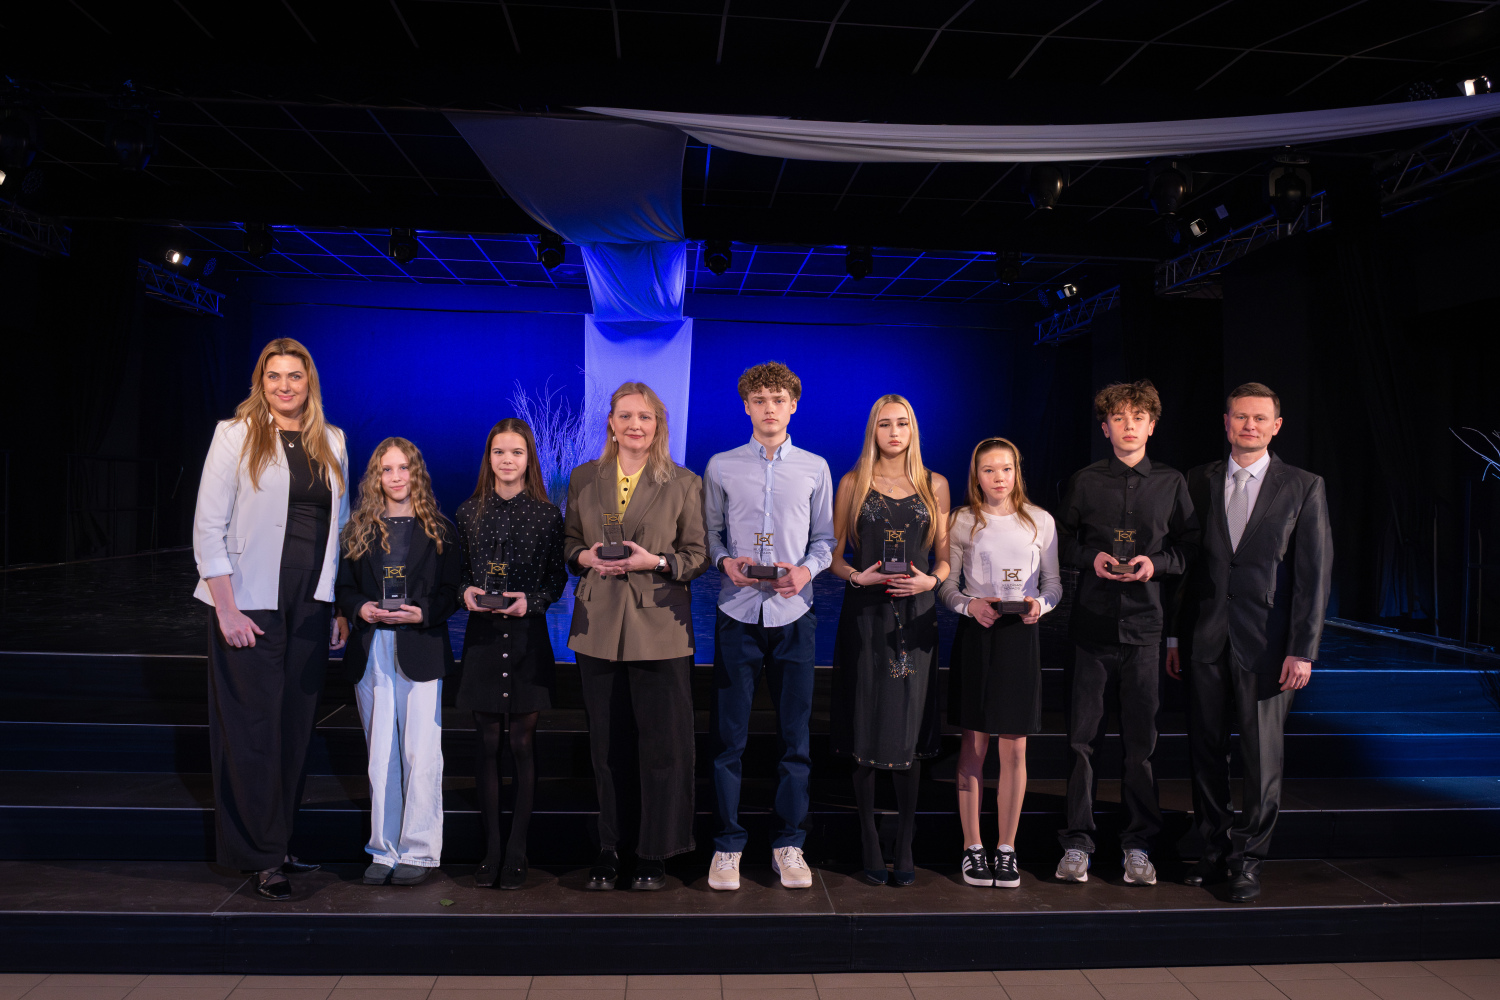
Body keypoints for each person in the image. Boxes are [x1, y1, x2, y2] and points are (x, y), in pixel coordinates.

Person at [192, 337, 350, 900]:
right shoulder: (234, 435)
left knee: (294, 727)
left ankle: (280, 842)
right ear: (261, 382)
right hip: (249, 600)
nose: (285, 386)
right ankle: (259, 856)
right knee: (252, 730)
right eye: (274, 376)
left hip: (311, 602)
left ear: (310, 383)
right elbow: (208, 526)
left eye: (295, 376)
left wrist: (337, 602)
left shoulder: (332, 440)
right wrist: (226, 608)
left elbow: (340, 527)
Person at [1166, 383, 1332, 902]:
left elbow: (1314, 575)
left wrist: (1303, 649)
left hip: (1268, 646)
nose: (1250, 426)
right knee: (1205, 752)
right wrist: (1173, 634)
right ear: (1226, 422)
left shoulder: (1303, 485)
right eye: (1241, 417)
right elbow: (1186, 566)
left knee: (1262, 759)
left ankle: (1249, 859)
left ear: (1276, 426)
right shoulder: (1197, 480)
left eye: (1260, 418)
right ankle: (1213, 849)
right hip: (1204, 639)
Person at [564, 382, 708, 891]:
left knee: (663, 748)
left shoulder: (684, 482)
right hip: (598, 626)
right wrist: (583, 556)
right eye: (625, 416)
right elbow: (570, 543)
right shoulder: (584, 478)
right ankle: (611, 847)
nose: (635, 425)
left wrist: (657, 562)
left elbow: (696, 556)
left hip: (660, 627)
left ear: (658, 425)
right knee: (607, 748)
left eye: (645, 417)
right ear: (611, 422)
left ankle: (654, 851)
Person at [1055, 380, 1196, 887]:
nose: (1129, 425)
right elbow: (1059, 540)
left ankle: (1138, 845)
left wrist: (1156, 564)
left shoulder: (1172, 482)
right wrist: (1088, 557)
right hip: (1092, 628)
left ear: (1152, 426)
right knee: (1082, 742)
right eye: (1119, 417)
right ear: (1105, 427)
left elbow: (1189, 549)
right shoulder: (1085, 481)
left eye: (1138, 417)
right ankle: (1077, 843)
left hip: (1146, 630)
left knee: (1141, 745)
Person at [703, 361, 835, 892]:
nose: (769, 408)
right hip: (737, 612)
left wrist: (806, 570)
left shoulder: (815, 468)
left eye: (778, 399)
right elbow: (711, 536)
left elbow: (824, 541)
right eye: (759, 400)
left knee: (794, 739)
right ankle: (727, 846)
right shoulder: (721, 466)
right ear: (746, 407)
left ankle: (789, 844)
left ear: (793, 405)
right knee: (727, 739)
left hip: (794, 614)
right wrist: (724, 562)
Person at [828, 394, 950, 887]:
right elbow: (834, 557)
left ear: (913, 429)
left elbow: (945, 559)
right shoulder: (853, 482)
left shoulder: (934, 485)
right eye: (885, 424)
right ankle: (869, 840)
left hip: (916, 616)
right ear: (873, 430)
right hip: (866, 615)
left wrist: (931, 582)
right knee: (866, 722)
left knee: (907, 728)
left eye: (902, 423)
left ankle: (905, 844)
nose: (894, 432)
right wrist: (858, 577)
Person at [336, 438, 461, 888]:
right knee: (380, 757)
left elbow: (451, 593)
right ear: (376, 477)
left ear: (416, 473)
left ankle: (420, 851)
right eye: (386, 469)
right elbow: (344, 587)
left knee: (421, 753)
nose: (395, 477)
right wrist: (360, 609)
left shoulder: (441, 530)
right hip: (372, 647)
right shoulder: (357, 529)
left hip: (420, 645)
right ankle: (383, 849)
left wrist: (422, 612)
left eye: (403, 468)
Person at [938, 437, 1061, 889]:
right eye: (989, 470)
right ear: (977, 475)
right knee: (973, 748)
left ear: (1016, 471)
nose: (998, 477)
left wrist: (1039, 606)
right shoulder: (961, 521)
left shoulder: (1040, 521)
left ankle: (1006, 848)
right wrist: (969, 606)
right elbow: (946, 584)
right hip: (978, 635)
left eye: (1006, 469)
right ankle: (972, 846)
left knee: (1015, 749)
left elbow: (1053, 584)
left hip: (1020, 638)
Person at [455, 418, 567, 891]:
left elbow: (556, 580)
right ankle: (492, 850)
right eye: (499, 452)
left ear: (528, 459)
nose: (507, 460)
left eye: (516, 452)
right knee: (486, 745)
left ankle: (517, 850)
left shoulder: (547, 515)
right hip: (482, 642)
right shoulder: (467, 512)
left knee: (521, 745)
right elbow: (458, 574)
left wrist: (530, 603)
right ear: (489, 458)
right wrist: (465, 591)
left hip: (526, 642)